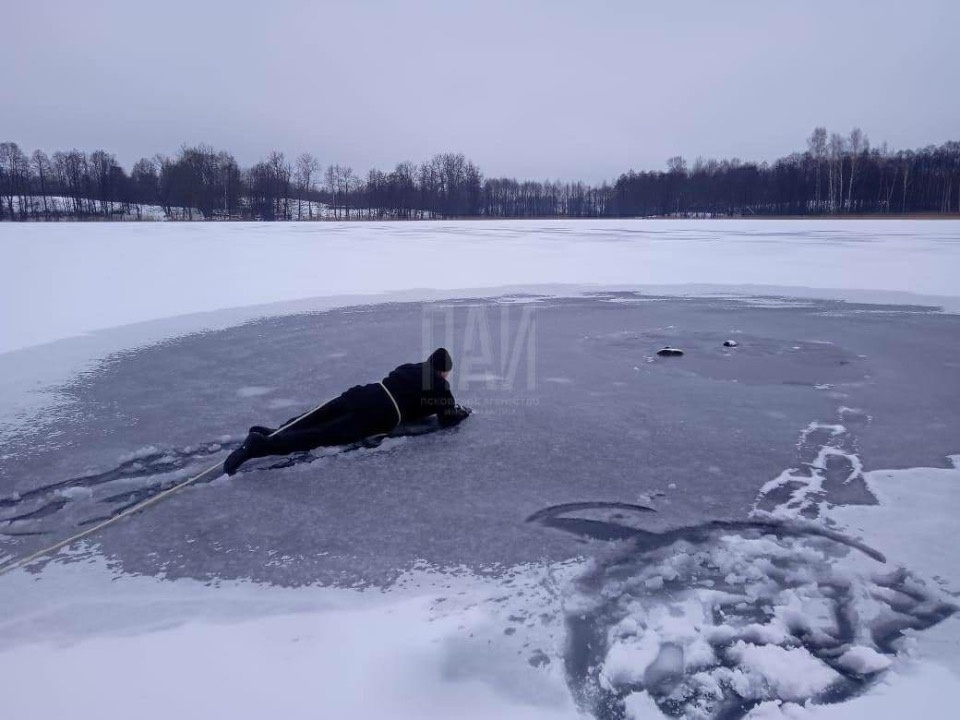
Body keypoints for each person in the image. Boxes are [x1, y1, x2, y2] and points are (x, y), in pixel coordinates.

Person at [223, 347, 471, 475]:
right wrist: (462, 412)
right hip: (379, 412)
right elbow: (447, 418)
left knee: (316, 415)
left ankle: (277, 431)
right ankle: (260, 446)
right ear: (444, 371)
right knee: (322, 434)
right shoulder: (440, 386)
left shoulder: (410, 367)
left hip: (364, 392)